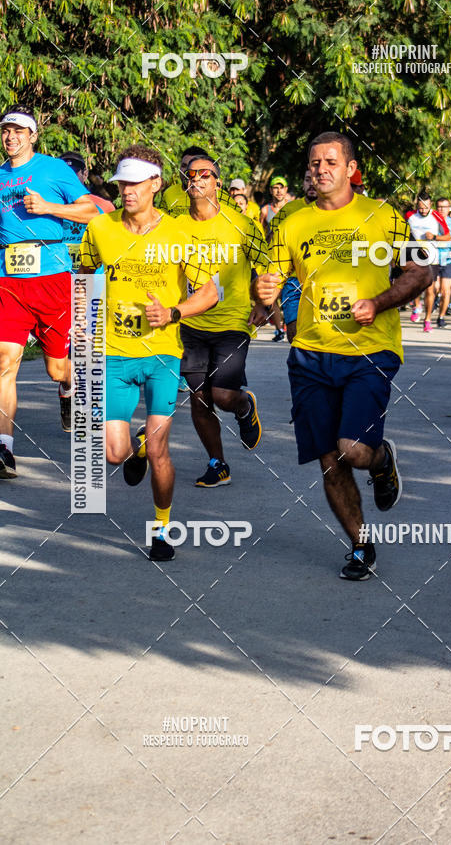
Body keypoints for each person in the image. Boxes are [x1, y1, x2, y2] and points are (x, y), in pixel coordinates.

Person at [256, 131, 432, 581]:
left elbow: (421, 270)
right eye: (314, 163)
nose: (320, 170)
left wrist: (380, 303)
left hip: (370, 350)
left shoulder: (383, 215)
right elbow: (271, 282)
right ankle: (360, 545)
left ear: (351, 169)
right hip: (310, 354)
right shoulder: (291, 221)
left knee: (353, 450)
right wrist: (264, 293)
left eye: (330, 162)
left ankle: (380, 459)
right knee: (329, 459)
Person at [79, 145, 218, 560]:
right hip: (115, 354)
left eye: (136, 182)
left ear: (156, 183)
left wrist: (173, 311)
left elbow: (210, 292)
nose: (127, 190)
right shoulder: (101, 229)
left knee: (160, 449)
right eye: (122, 182)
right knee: (114, 453)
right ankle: (135, 448)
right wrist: (83, 334)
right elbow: (84, 277)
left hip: (162, 354)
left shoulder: (179, 233)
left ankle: (161, 529)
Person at [0, 105, 98, 478]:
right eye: (6, 131)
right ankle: (4, 449)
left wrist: (47, 206)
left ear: (33, 136)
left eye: (19, 131)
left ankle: (70, 386)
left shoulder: (55, 169)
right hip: (8, 279)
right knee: (4, 361)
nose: (11, 137)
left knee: (57, 368)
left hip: (52, 277)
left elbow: (91, 212)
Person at [177, 153, 269, 486]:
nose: (197, 179)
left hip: (232, 323)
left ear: (218, 182)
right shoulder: (175, 226)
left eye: (205, 174)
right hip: (191, 325)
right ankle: (218, 464)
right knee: (199, 397)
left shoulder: (242, 225)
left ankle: (244, 407)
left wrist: (264, 304)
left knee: (222, 395)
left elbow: (268, 267)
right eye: (191, 175)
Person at [269, 168, 318, 343]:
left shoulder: (332, 211)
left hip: (321, 281)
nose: (311, 183)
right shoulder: (290, 209)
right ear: (303, 184)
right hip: (294, 281)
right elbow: (271, 236)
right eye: (307, 179)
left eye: (315, 179)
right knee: (294, 334)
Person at [59, 151, 115, 272]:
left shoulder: (104, 206)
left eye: (74, 173)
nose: (68, 179)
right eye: (64, 174)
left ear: (85, 174)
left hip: (92, 277)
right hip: (60, 276)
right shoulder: (51, 205)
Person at [406, 191, 451, 331]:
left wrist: (434, 237)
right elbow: (401, 232)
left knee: (430, 289)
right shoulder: (409, 216)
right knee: (414, 286)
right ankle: (417, 306)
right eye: (420, 208)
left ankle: (427, 319)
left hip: (432, 257)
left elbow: (448, 237)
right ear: (416, 206)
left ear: (431, 205)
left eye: (426, 207)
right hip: (414, 254)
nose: (423, 210)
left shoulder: (437, 216)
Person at [259, 174, 290, 340]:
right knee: (270, 296)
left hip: (291, 258)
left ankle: (291, 325)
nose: (279, 191)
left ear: (286, 189)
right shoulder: (265, 210)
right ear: (271, 190)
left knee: (290, 294)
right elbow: (260, 233)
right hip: (272, 258)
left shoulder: (293, 208)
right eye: (275, 188)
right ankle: (279, 329)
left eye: (282, 187)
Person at [435, 196, 451, 324]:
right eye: (439, 206)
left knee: (446, 291)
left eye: (444, 207)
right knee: (435, 288)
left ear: (448, 208)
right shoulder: (431, 221)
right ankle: (435, 300)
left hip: (448, 262)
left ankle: (441, 317)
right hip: (432, 261)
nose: (441, 209)